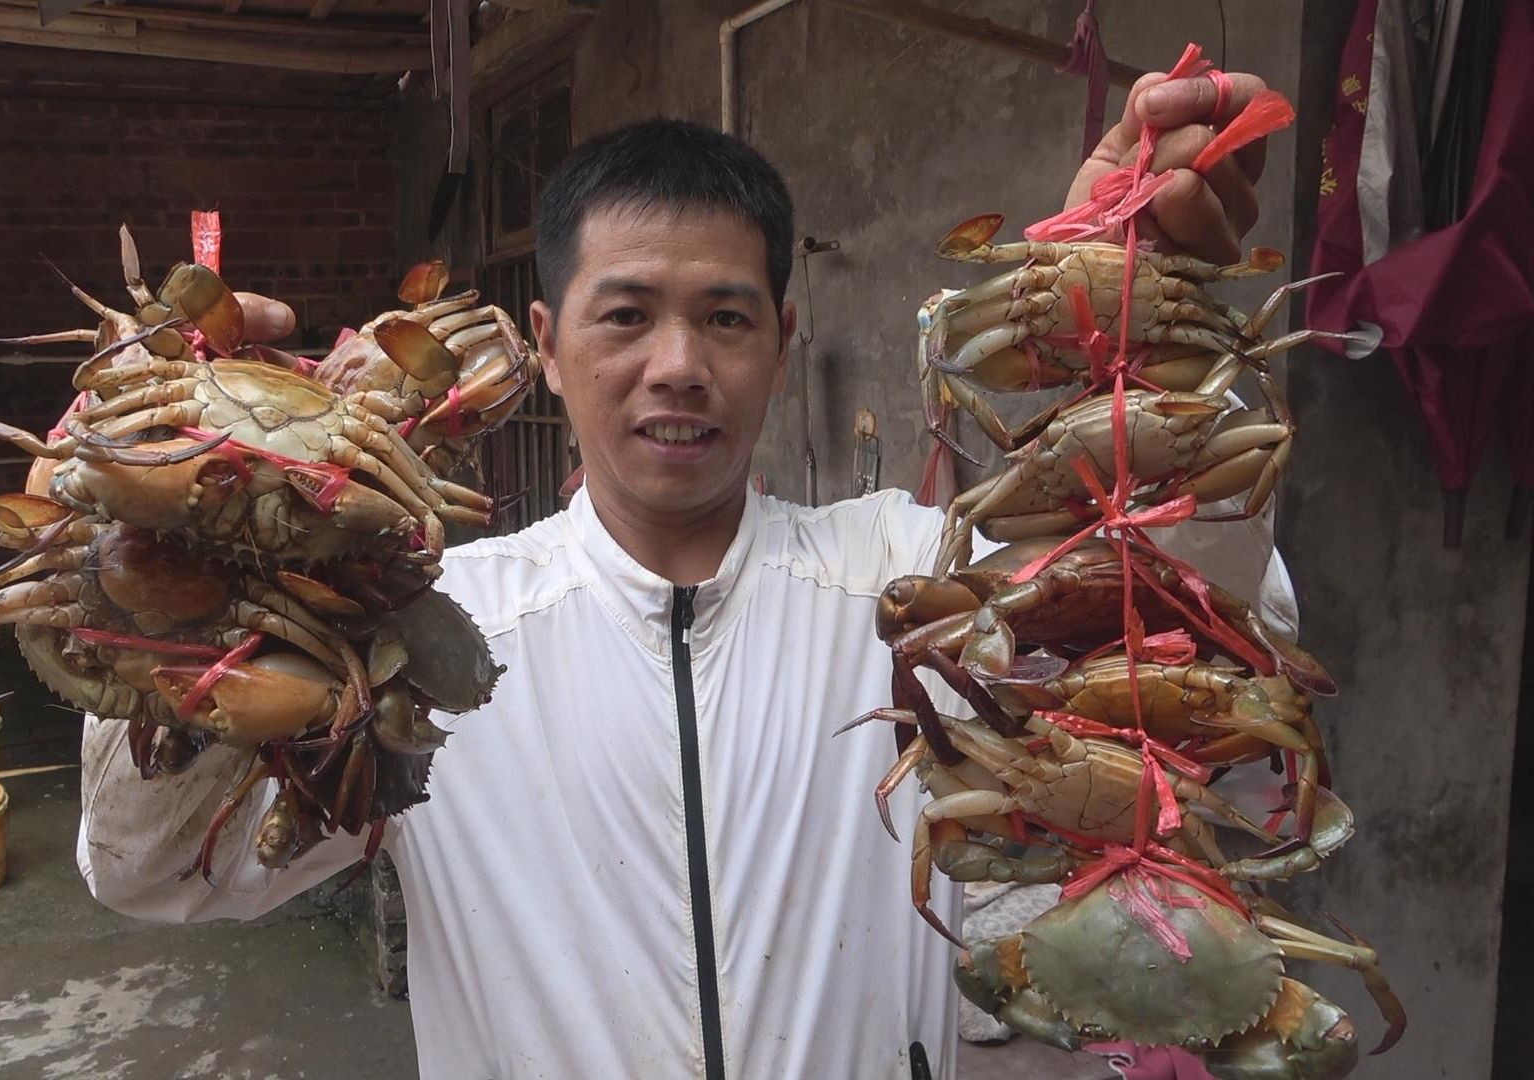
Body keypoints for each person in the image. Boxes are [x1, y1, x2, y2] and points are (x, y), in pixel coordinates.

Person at [78, 69, 1293, 1078]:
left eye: (724, 317)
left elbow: (1178, 608)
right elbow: (155, 872)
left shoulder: (910, 578)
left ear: (782, 338)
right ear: (546, 349)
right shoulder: (426, 633)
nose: (677, 365)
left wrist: (1142, 332)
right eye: (623, 317)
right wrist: (176, 562)